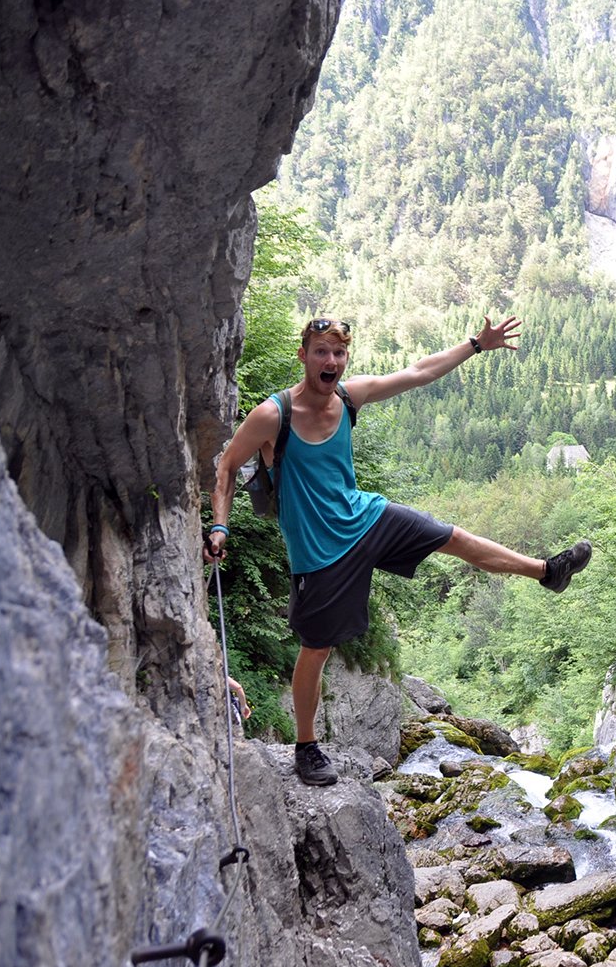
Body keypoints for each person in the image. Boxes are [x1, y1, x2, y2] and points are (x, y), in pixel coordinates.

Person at [204, 316, 591, 786]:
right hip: (319, 553)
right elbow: (226, 468)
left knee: (451, 536)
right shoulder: (273, 414)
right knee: (316, 649)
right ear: (303, 355)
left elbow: (419, 371)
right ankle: (307, 747)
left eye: (339, 353)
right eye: (321, 352)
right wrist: (220, 527)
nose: (331, 361)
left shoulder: (349, 396)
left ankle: (547, 571)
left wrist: (476, 345)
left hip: (367, 517)